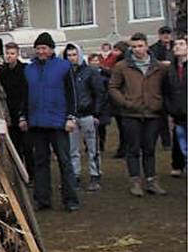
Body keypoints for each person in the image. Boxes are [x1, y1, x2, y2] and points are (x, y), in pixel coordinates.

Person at [21, 33, 79, 212]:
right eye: (38, 48)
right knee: (40, 162)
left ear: (51, 49)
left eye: (44, 48)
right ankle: (43, 198)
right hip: (37, 122)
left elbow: (72, 94)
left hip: (58, 122)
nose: (41, 51)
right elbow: (25, 95)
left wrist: (71, 117)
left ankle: (70, 199)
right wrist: (23, 116)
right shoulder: (29, 69)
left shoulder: (64, 67)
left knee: (64, 161)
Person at [109, 32, 169, 197]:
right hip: (131, 113)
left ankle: (151, 180)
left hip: (153, 113)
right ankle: (135, 180)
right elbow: (113, 87)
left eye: (140, 46)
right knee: (133, 148)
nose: (137, 49)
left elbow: (167, 87)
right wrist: (125, 103)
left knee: (149, 148)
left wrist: (160, 103)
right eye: (134, 47)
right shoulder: (122, 67)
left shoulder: (159, 67)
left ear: (147, 46)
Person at [64, 44, 104, 191]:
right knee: (72, 148)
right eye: (69, 55)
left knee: (92, 147)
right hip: (72, 116)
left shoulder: (90, 72)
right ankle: (75, 175)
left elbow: (99, 93)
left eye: (74, 55)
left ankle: (95, 175)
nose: (72, 58)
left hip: (87, 114)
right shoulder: (65, 74)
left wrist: (96, 113)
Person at [164, 36, 187, 176]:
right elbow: (167, 91)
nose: (177, 47)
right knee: (181, 143)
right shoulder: (170, 69)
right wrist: (170, 109)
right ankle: (178, 164)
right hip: (177, 113)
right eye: (176, 44)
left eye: (182, 44)